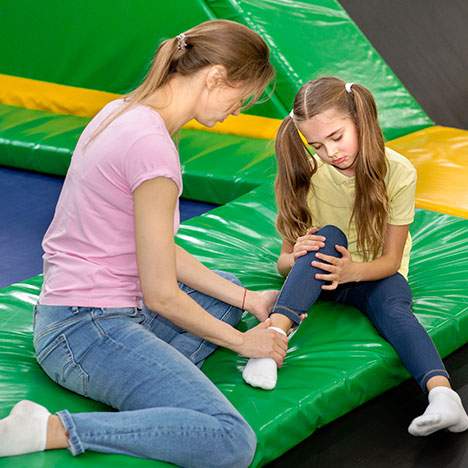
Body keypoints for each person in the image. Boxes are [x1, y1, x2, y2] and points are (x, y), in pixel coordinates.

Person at [0, 20, 289, 467]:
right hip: (85, 329)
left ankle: (142, 383)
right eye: (242, 97)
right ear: (214, 77)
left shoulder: (125, 110)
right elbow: (161, 294)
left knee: (224, 292)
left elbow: (154, 249)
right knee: (229, 440)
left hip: (79, 309)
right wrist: (243, 344)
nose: (238, 111)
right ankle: (50, 428)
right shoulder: (152, 149)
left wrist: (249, 299)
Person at [242, 76, 468, 437]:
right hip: (318, 276)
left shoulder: (398, 171)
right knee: (328, 236)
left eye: (337, 137)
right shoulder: (308, 175)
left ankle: (443, 396)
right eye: (317, 145)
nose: (331, 152)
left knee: (396, 310)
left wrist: (351, 272)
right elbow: (284, 263)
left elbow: (391, 262)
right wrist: (297, 253)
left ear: (360, 121)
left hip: (374, 274)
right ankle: (272, 343)